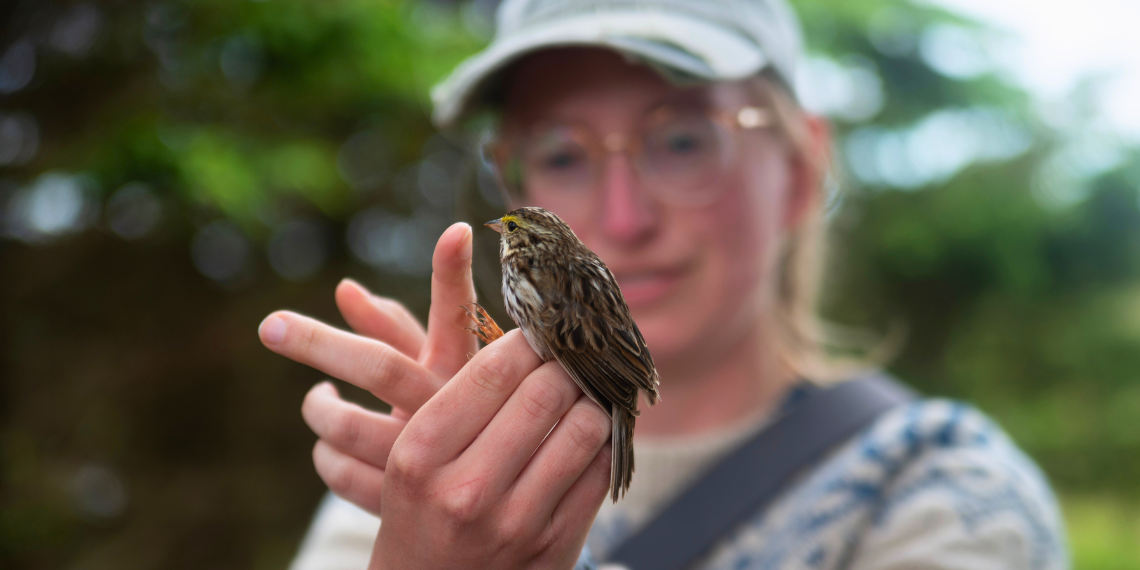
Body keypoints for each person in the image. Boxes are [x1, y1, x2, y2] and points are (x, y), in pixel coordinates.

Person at [258, 0, 1069, 568]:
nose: (622, 217)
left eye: (682, 140)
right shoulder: (424, 485)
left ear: (798, 171)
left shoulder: (941, 493)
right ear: (513, 184)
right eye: (564, 153)